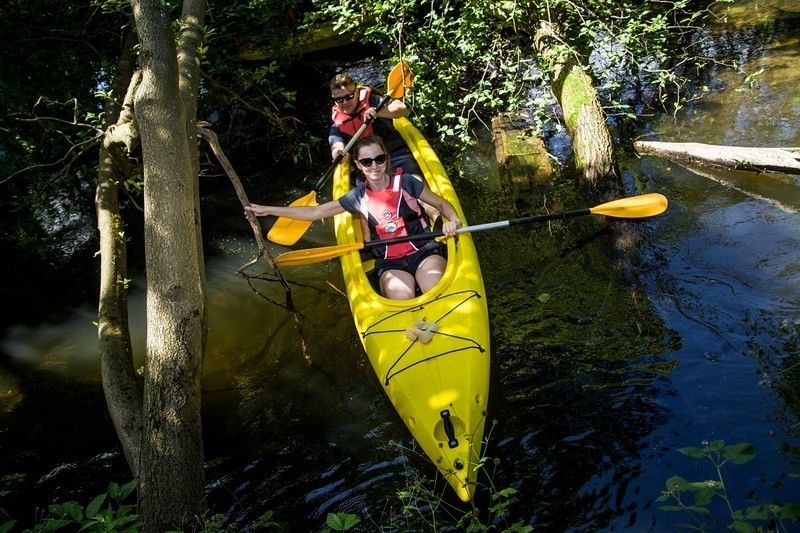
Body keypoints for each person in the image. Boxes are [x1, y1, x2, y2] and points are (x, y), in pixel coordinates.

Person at [245, 136, 462, 300]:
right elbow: (314, 213)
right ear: (358, 165)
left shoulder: (407, 182)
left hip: (423, 251)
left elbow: (442, 204)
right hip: (390, 261)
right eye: (366, 162)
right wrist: (268, 210)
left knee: (434, 290)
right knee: (401, 297)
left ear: (386, 159)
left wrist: (453, 220)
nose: (374, 166)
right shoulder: (357, 197)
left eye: (379, 159)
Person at [328, 71, 422, 179]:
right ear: (334, 100)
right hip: (368, 169)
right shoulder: (337, 126)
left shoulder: (374, 101)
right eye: (339, 99)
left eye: (349, 96)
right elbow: (336, 146)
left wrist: (378, 112)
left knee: (415, 183)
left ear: (357, 92)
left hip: (394, 156)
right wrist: (339, 155)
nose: (345, 102)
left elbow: (402, 109)